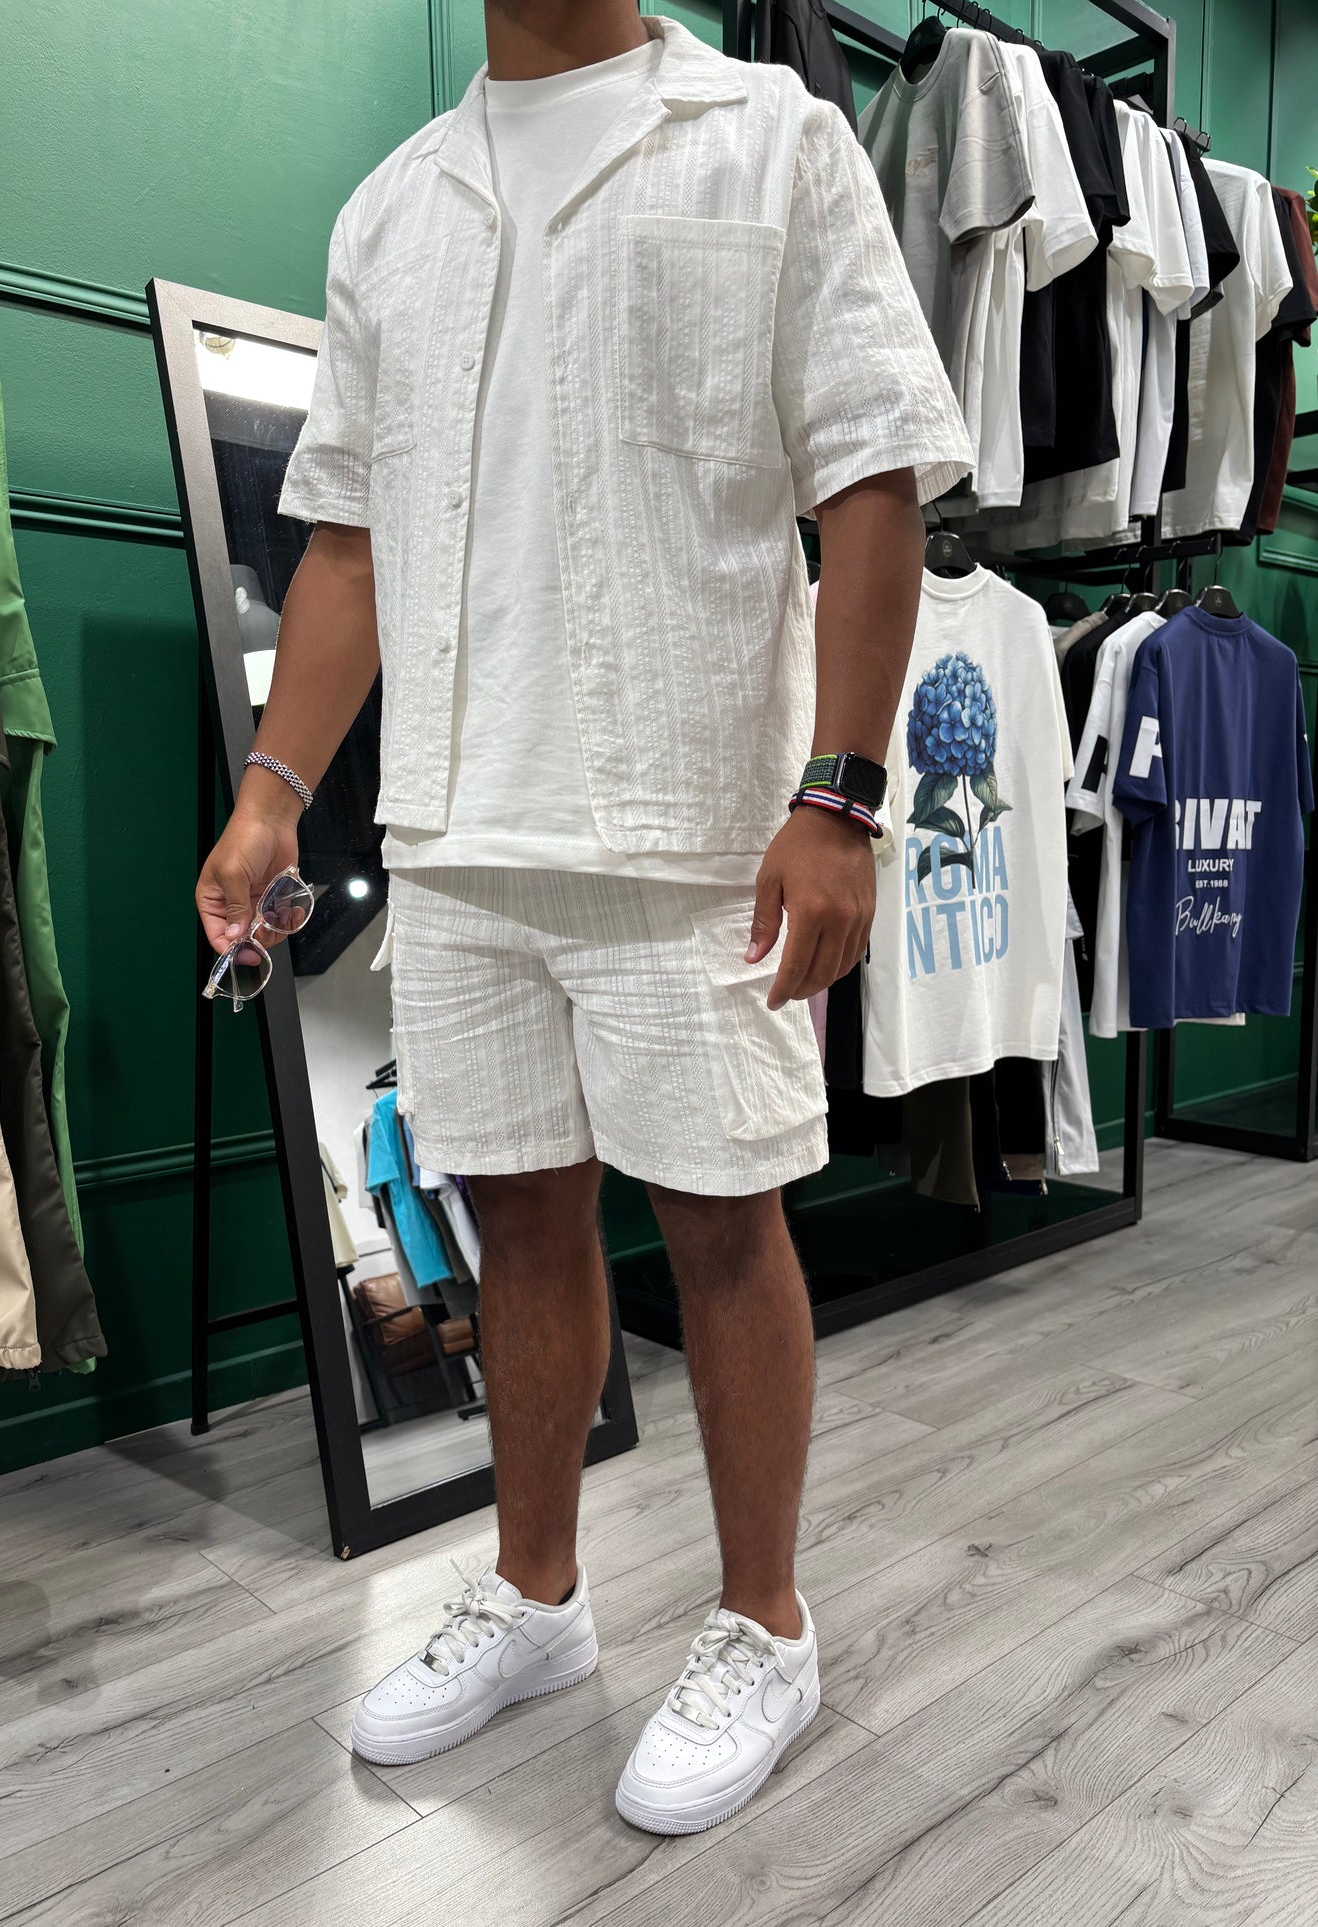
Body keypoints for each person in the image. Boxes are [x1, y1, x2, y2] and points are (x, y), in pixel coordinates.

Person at [196, 2, 969, 1836]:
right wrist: (272, 789)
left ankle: (764, 1627)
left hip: (690, 824)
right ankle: (534, 1595)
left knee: (723, 1227)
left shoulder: (772, 140)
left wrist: (839, 796)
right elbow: (347, 540)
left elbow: (867, 481)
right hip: (458, 827)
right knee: (521, 1222)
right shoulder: (394, 209)